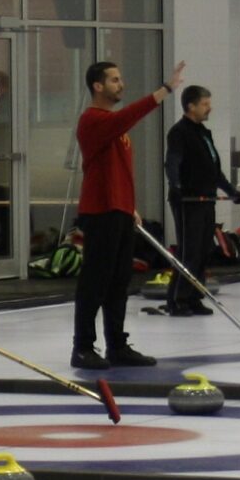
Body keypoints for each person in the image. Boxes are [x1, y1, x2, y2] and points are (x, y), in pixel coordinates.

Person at [72, 55, 187, 369]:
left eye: (121, 79)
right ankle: (82, 347)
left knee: (119, 282)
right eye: (114, 80)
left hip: (119, 210)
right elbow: (130, 115)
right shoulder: (93, 119)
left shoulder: (113, 124)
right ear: (97, 86)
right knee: (95, 282)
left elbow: (119, 170)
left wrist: (129, 205)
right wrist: (164, 90)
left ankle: (117, 345)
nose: (121, 84)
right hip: (100, 212)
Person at [161, 85, 240, 315]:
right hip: (188, 201)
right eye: (205, 104)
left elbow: (214, 170)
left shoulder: (204, 133)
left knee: (204, 250)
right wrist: (175, 185)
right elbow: (172, 161)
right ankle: (178, 299)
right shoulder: (179, 132)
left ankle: (195, 295)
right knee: (190, 250)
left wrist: (231, 191)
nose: (209, 108)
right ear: (191, 106)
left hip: (207, 199)